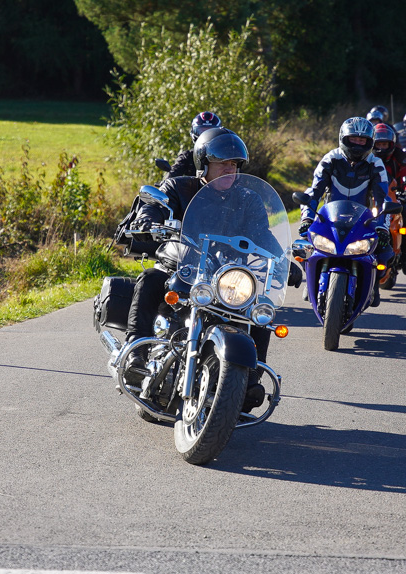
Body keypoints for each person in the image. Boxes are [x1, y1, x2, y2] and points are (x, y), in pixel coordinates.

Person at [124, 127, 299, 410]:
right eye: (222, 163)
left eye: (234, 164)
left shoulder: (247, 199)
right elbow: (155, 207)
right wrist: (147, 220)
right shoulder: (180, 188)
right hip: (183, 266)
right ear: (204, 164)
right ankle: (137, 354)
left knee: (260, 309)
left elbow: (262, 234)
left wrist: (283, 260)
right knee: (149, 279)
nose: (229, 169)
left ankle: (250, 378)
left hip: (226, 276)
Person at [297, 117, 392, 307]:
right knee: (300, 246)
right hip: (329, 219)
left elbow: (383, 200)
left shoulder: (376, 164)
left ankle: (372, 284)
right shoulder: (330, 159)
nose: (357, 144)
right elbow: (313, 192)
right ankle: (309, 279)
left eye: (362, 140)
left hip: (362, 221)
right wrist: (307, 218)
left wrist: (383, 228)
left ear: (370, 142)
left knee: (386, 253)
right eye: (353, 140)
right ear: (343, 139)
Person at [372, 123, 406, 276]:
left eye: (385, 144)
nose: (382, 147)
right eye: (379, 144)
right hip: (371, 198)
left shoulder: (399, 155)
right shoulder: (367, 157)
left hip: (394, 196)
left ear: (391, 144)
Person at [162, 111, 222, 180]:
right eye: (202, 131)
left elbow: (235, 178)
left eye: (210, 131)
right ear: (194, 133)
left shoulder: (225, 156)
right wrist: (167, 181)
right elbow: (174, 172)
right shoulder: (187, 157)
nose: (206, 135)